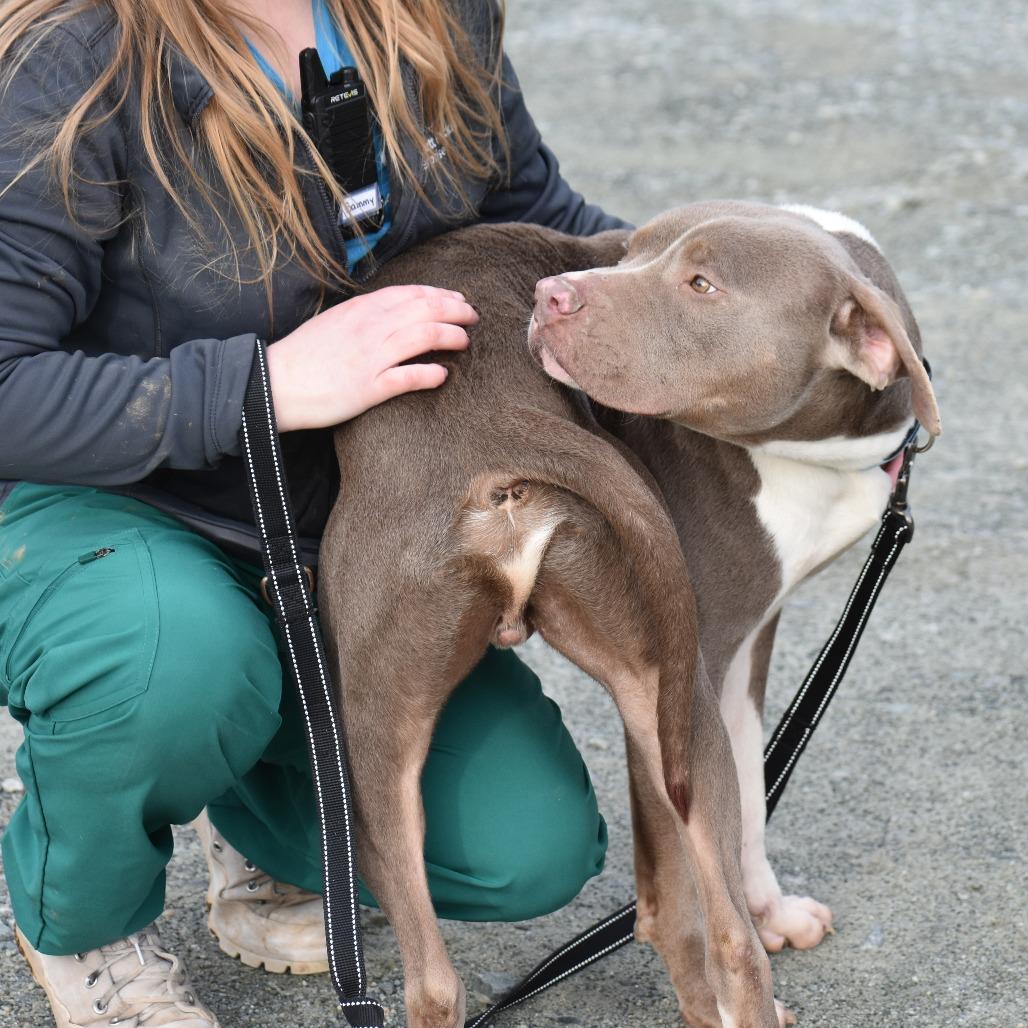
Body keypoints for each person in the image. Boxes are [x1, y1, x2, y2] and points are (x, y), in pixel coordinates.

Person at [0, 0, 627, 1024]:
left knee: (527, 848)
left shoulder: (433, 14)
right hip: (110, 514)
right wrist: (264, 386)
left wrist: (750, 317)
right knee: (169, 666)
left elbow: (537, 234)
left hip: (344, 536)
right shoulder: (75, 59)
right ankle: (84, 909)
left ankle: (248, 806)